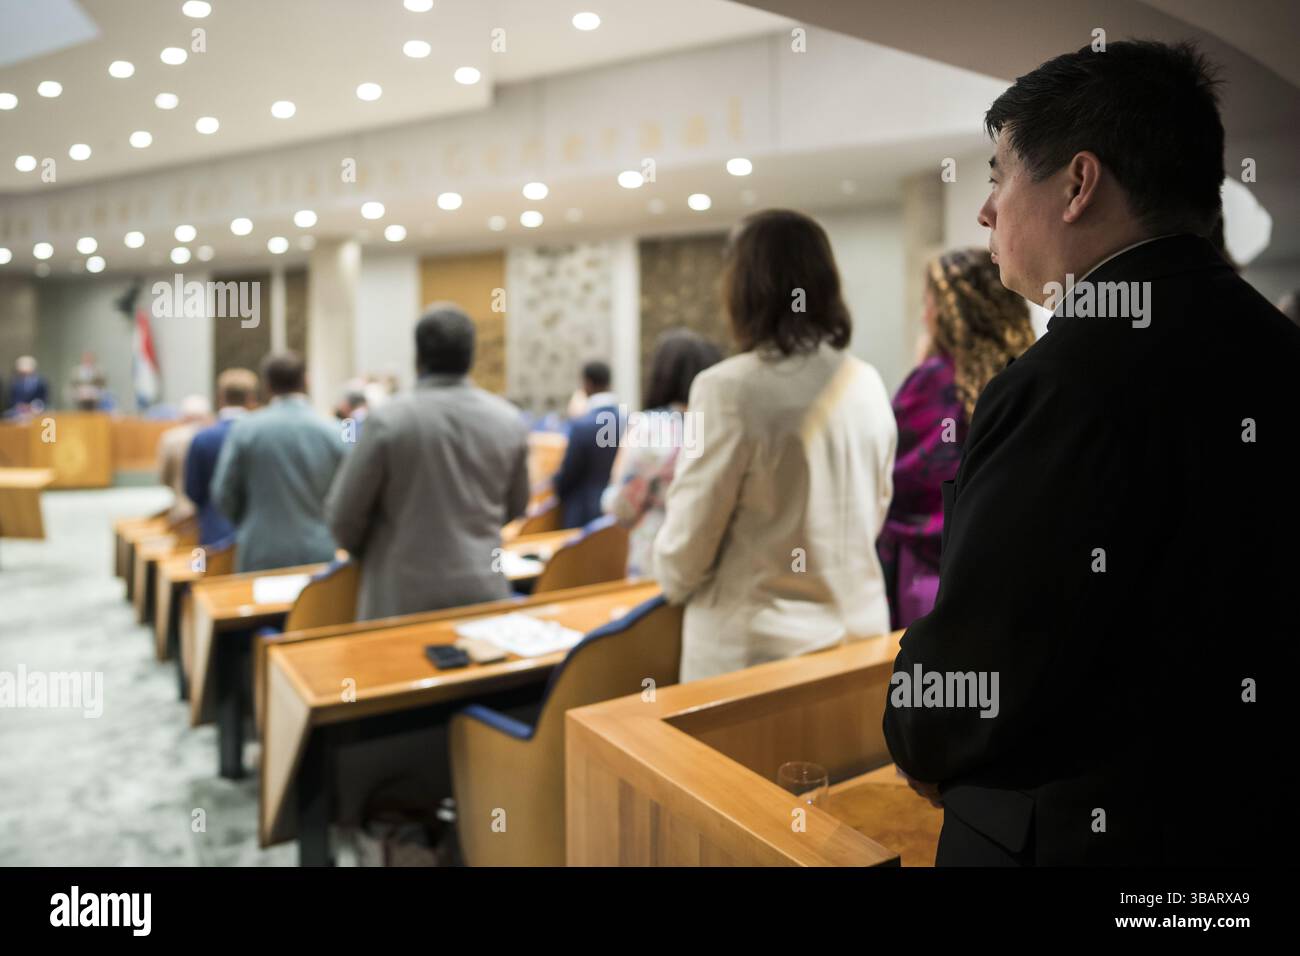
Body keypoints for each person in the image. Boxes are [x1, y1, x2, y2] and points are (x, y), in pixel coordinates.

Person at [883, 40, 1300, 866]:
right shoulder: (1276, 345)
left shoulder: (1067, 380)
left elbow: (977, 682)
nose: (986, 210)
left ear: (1078, 183)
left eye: (999, 174)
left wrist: (911, 711)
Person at [653, 209, 896, 682]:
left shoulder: (729, 388)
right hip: (861, 634)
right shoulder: (866, 380)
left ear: (742, 287)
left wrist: (670, 581)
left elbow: (691, 538)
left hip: (759, 652)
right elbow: (878, 506)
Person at [326, 304, 530, 620]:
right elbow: (517, 505)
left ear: (417, 357)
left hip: (402, 598)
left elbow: (343, 518)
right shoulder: (509, 420)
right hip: (484, 590)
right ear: (471, 358)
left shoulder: (387, 421)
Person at [876, 249, 1034, 629]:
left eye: (928, 303)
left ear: (946, 311)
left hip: (933, 581)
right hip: (1016, 572)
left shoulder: (933, 380)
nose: (922, 315)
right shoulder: (1028, 377)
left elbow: (892, 483)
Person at [601, 329, 722, 577]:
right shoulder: (724, 425)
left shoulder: (650, 427)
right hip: (718, 554)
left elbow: (623, 507)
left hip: (659, 554)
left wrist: (614, 487)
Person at [211, 352, 344, 572]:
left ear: (267, 385)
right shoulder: (333, 430)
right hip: (320, 548)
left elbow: (224, 492)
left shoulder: (245, 430)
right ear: (306, 381)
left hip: (261, 549)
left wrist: (249, 523)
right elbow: (347, 494)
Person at [184, 368, 259, 547]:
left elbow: (193, 490)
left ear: (220, 398)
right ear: (251, 399)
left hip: (213, 533)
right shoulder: (261, 436)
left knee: (201, 570)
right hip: (257, 536)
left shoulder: (202, 438)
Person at [552, 359, 620, 528]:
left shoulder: (582, 424)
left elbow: (568, 475)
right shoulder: (629, 421)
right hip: (616, 512)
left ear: (587, 384)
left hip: (582, 514)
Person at [156, 395, 212, 523]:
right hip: (209, 512)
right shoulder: (212, 438)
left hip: (181, 511)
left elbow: (164, 477)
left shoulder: (170, 438)